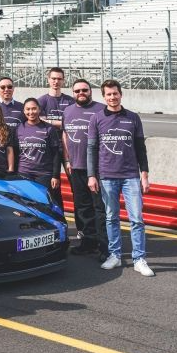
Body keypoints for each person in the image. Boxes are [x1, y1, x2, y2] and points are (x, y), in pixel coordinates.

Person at [88, 79, 154, 277]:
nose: (112, 97)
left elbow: (141, 148)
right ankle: (114, 255)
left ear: (120, 94)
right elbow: (91, 149)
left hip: (130, 176)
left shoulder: (133, 118)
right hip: (107, 177)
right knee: (111, 218)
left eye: (115, 93)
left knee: (137, 219)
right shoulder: (96, 119)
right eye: (108, 94)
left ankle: (139, 259)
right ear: (104, 97)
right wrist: (91, 176)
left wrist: (144, 175)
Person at [62, 79, 108, 258]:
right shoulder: (68, 111)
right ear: (73, 93)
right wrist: (67, 159)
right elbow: (65, 135)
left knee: (100, 208)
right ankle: (89, 243)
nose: (81, 93)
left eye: (84, 90)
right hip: (76, 167)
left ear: (90, 91)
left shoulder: (101, 109)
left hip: (97, 169)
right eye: (77, 91)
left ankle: (104, 246)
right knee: (83, 208)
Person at [15, 98, 62, 205]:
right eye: (28, 109)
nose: (31, 112)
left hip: (44, 175)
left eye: (34, 109)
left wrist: (55, 175)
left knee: (45, 205)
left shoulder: (49, 128)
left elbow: (56, 154)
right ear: (24, 111)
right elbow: (15, 152)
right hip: (24, 174)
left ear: (39, 109)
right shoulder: (18, 129)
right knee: (26, 205)